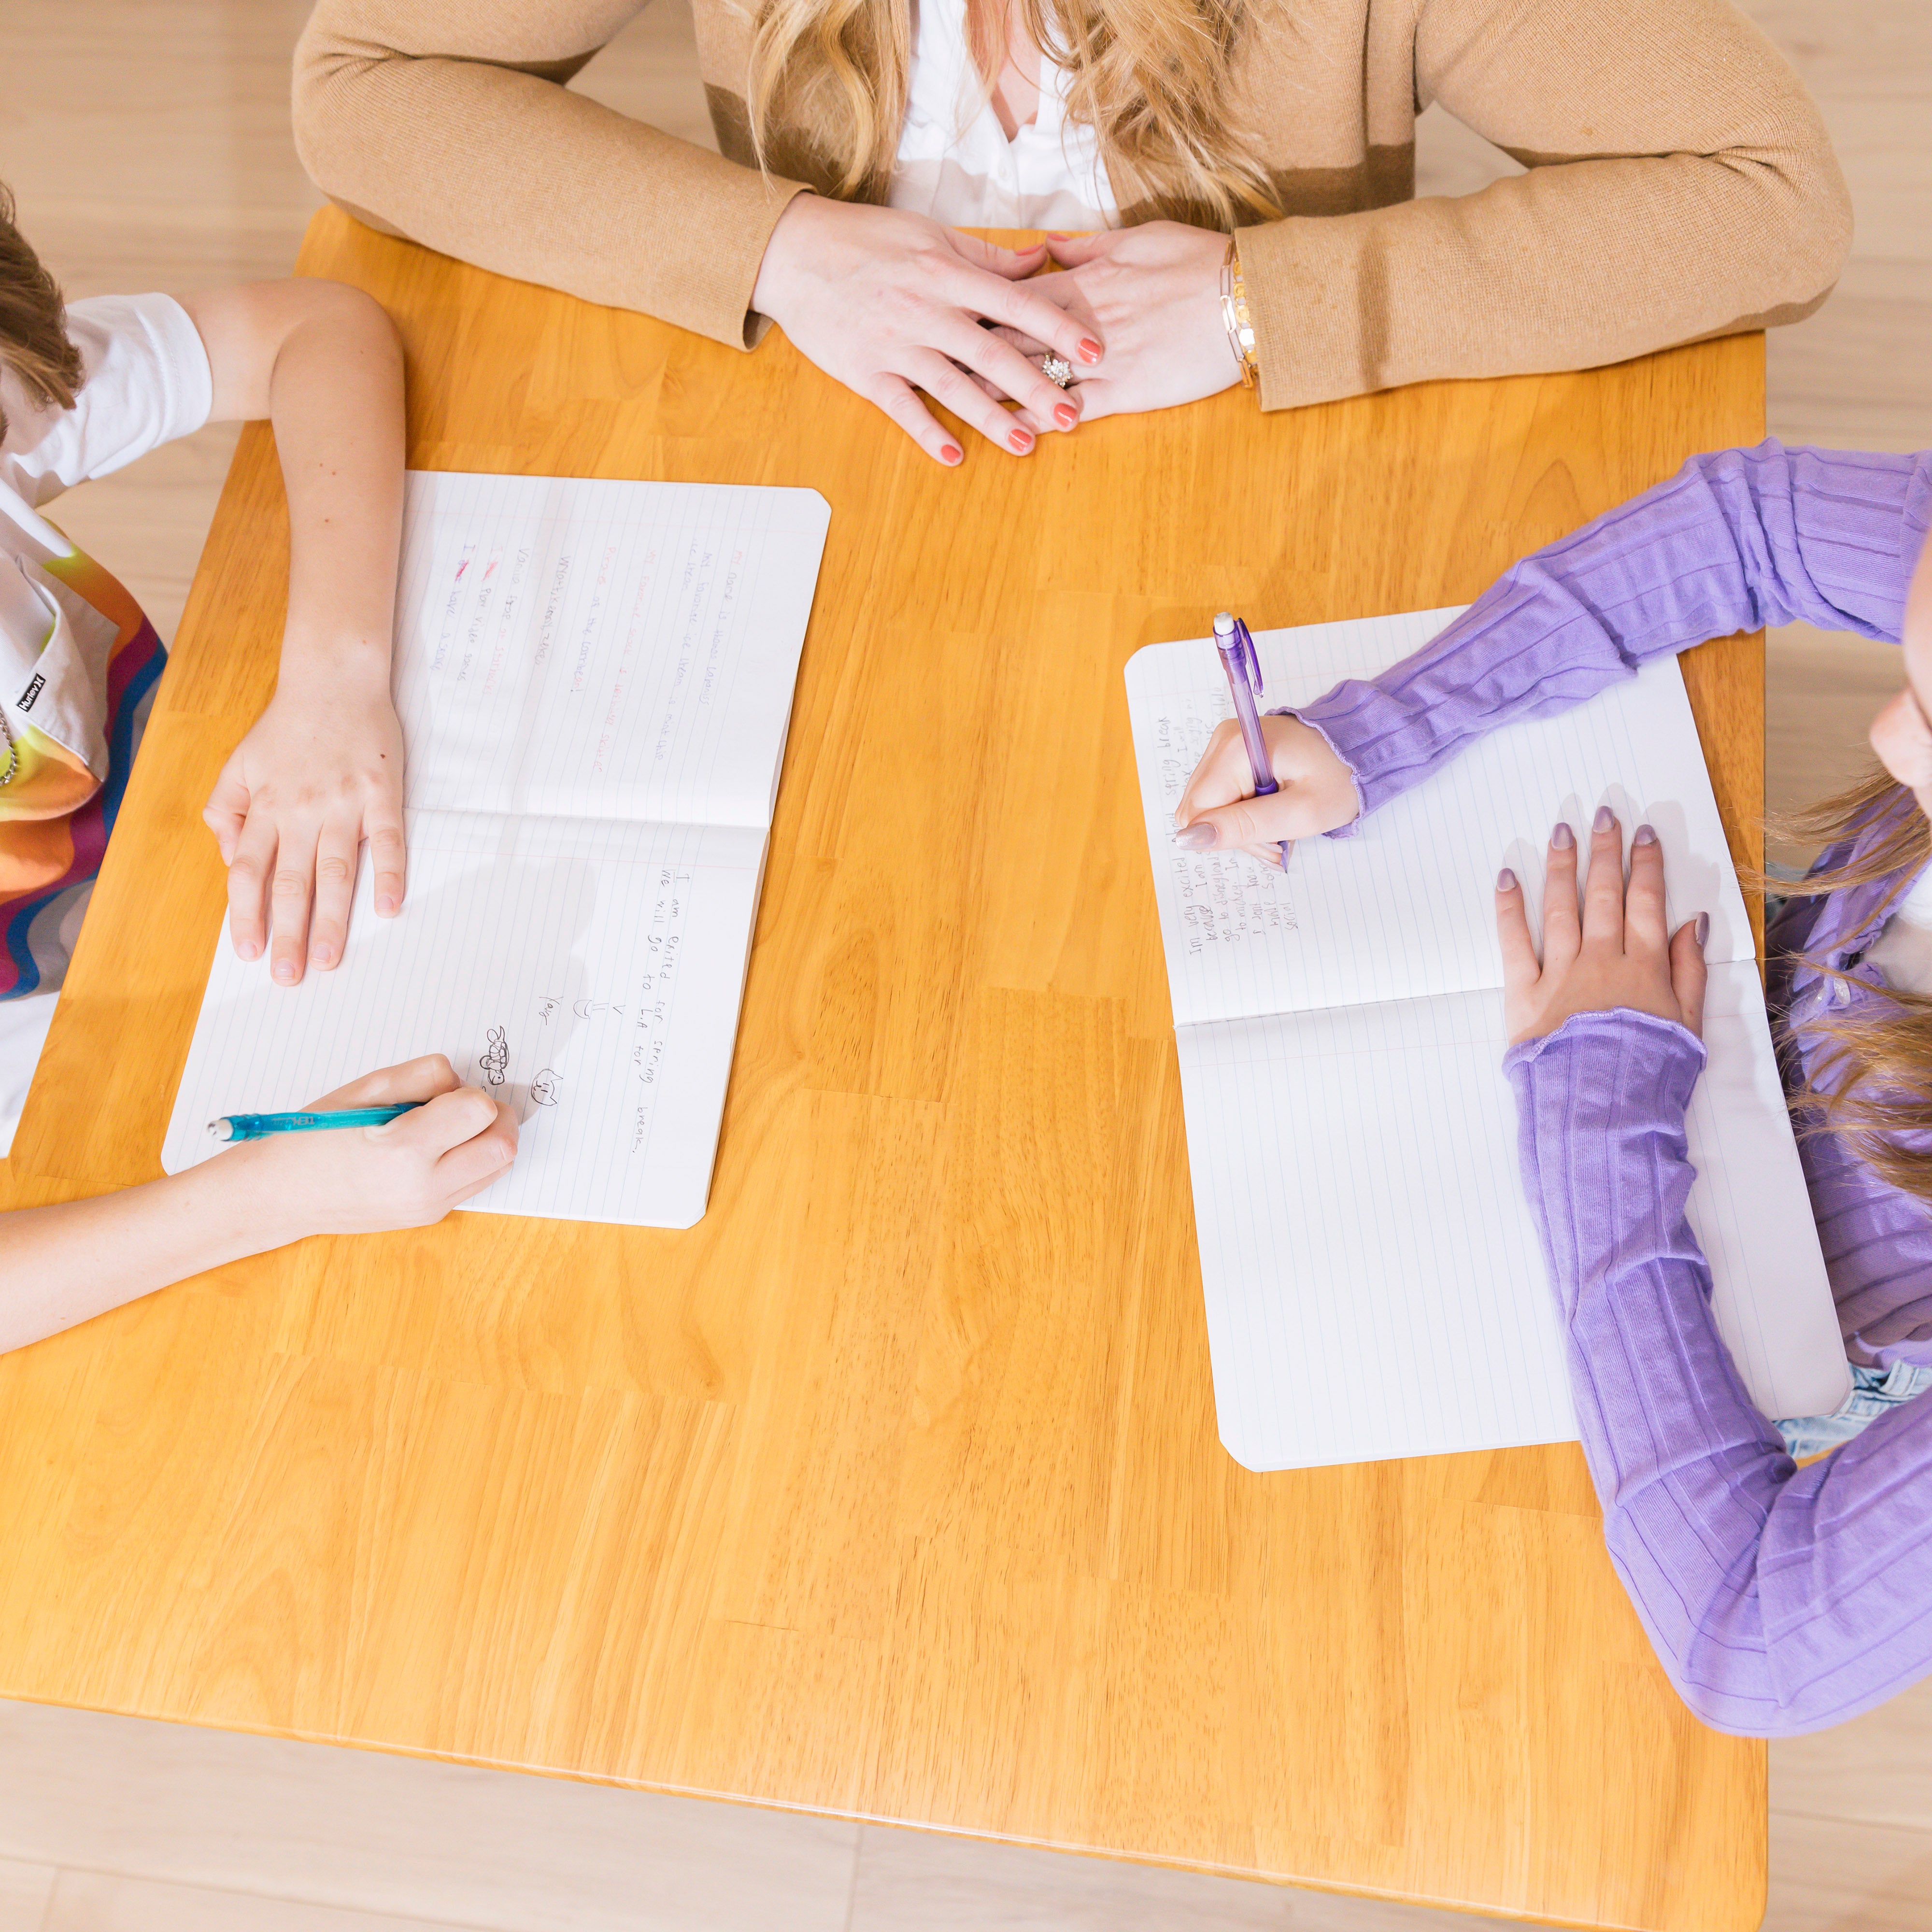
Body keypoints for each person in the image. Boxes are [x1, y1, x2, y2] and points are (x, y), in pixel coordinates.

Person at [1174, 441, 1932, 1735]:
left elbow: (1742, 1633)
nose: (1879, 727)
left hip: (1783, 1335)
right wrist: (1384, 730)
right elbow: (1744, 523)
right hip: (1731, 1022)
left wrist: (1599, 1096)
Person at [290, 0, 1850, 468]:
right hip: (859, 458)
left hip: (1249, 472)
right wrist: (777, 248)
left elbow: (1772, 200)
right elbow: (360, 84)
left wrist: (1268, 302)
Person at [0, 185, 517, 1351]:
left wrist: (334, 672)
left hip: (188, 904)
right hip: (74, 1134)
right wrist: (275, 1194)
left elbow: (314, 328)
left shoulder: (10, 389)